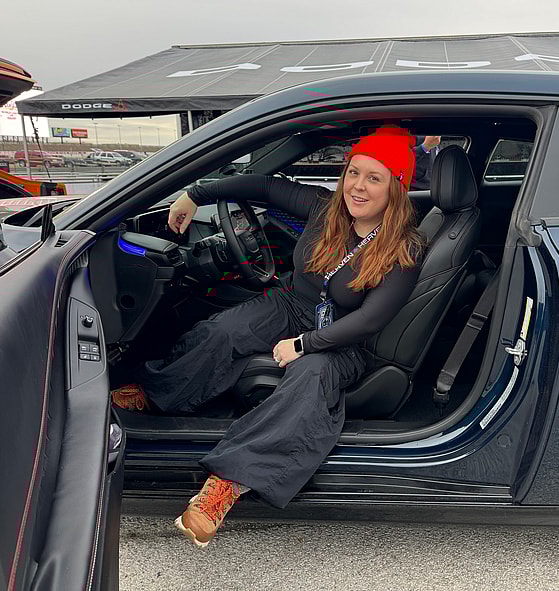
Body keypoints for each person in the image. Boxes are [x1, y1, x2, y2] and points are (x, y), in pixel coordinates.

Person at [111, 126, 425, 548]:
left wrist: (304, 345)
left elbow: (369, 320)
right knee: (223, 330)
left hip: (344, 341)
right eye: (354, 173)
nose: (358, 187)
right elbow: (262, 185)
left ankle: (229, 483)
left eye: (375, 178)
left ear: (396, 188)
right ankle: (158, 394)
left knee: (310, 377)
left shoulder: (404, 248)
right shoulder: (324, 208)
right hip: (292, 305)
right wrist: (197, 194)